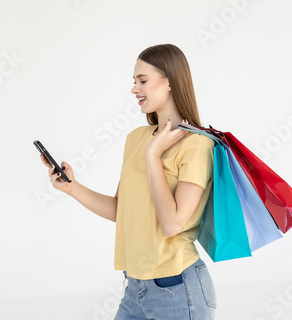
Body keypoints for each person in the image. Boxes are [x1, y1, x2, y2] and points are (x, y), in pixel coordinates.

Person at [40, 44, 216, 319]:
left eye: (143, 80)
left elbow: (172, 224)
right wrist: (72, 187)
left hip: (178, 288)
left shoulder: (197, 145)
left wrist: (154, 156)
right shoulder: (136, 139)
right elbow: (121, 210)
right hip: (135, 287)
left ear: (170, 81)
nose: (135, 89)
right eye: (134, 81)